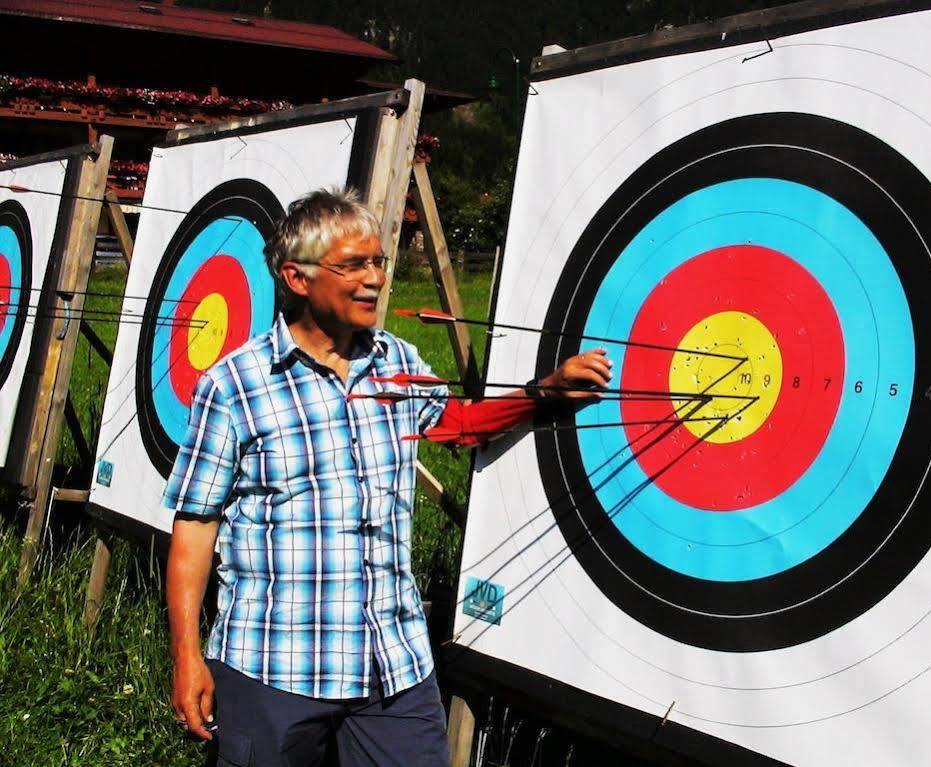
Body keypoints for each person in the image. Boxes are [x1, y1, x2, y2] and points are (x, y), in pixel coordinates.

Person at [165, 187, 612, 767]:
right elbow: (194, 529)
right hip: (273, 664)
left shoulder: (398, 362)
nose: (374, 278)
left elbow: (457, 425)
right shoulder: (234, 385)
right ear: (297, 279)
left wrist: (539, 394)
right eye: (352, 265)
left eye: (378, 261)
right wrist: (187, 655)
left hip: (391, 661)